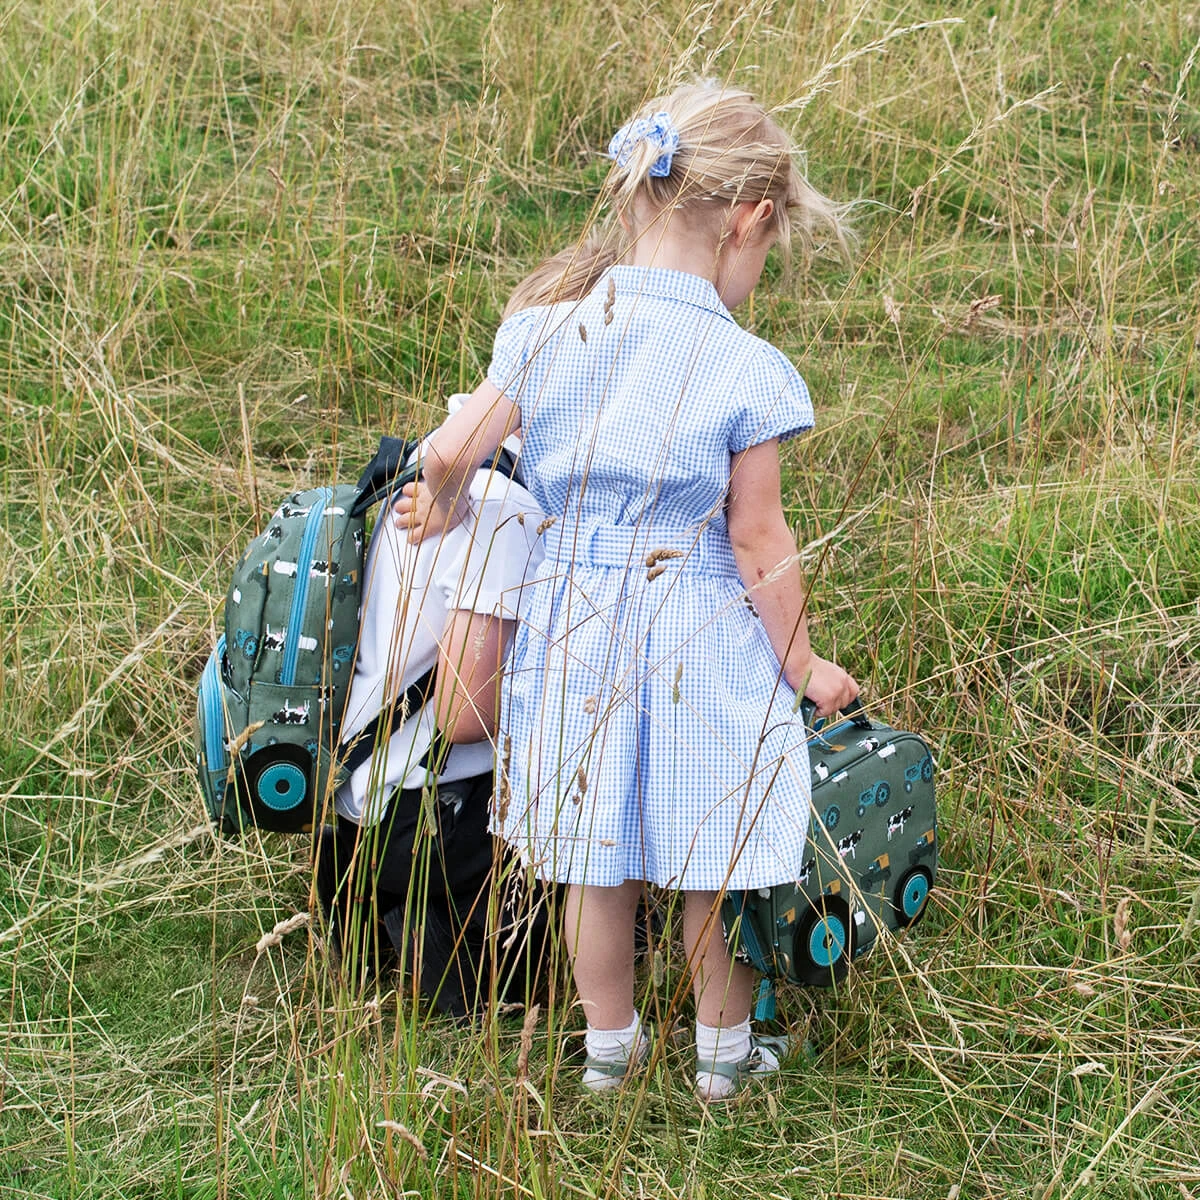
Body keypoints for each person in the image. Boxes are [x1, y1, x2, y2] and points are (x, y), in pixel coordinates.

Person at [393, 82, 860, 1098]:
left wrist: (441, 503)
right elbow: (755, 536)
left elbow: (455, 448)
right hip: (696, 621)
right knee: (705, 854)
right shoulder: (747, 367)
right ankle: (724, 1062)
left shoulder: (547, 332)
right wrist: (802, 663)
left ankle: (610, 1053)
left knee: (592, 855)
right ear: (753, 219)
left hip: (575, 623)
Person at [316, 397, 547, 1017]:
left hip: (353, 801)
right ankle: (443, 937)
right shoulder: (509, 511)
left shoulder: (419, 466)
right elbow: (463, 714)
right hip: (421, 823)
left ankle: (380, 925)